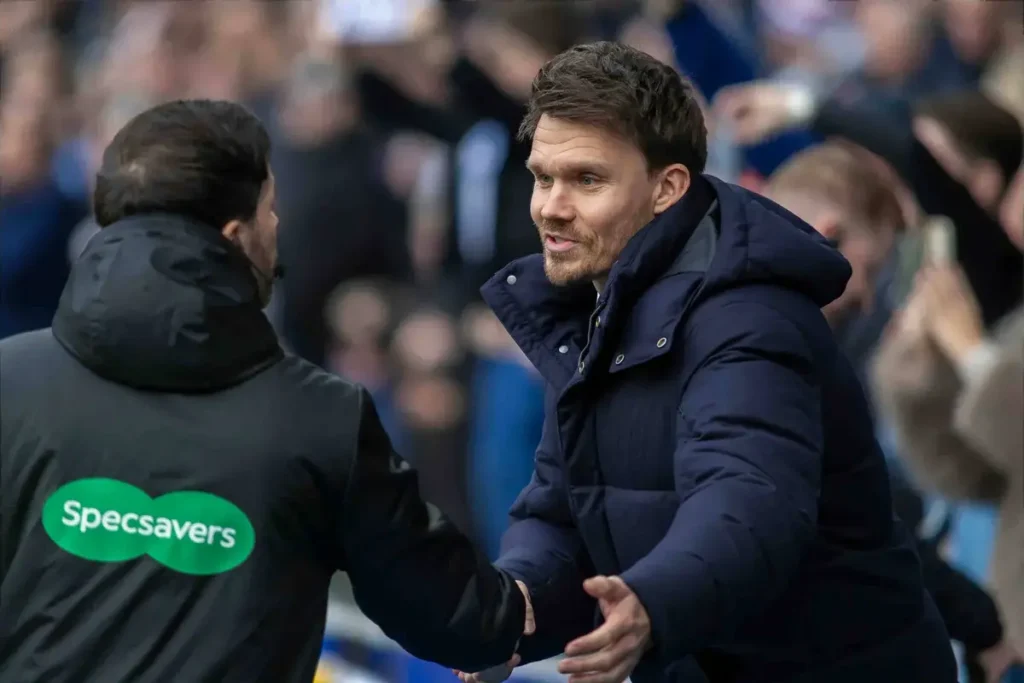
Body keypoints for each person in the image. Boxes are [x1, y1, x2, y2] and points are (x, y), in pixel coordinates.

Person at [460, 42, 957, 683]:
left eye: (587, 179)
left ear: (667, 188)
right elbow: (564, 509)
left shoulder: (750, 319)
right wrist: (519, 607)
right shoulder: (598, 309)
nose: (551, 206)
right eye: (542, 177)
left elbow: (748, 501)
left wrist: (653, 602)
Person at [0, 99, 533, 683]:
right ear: (236, 235)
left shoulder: (10, 380)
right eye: (271, 208)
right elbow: (461, 618)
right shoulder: (321, 418)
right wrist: (520, 614)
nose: (279, 226)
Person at [763, 142, 1021, 683]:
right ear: (830, 234)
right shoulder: (775, 347)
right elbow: (863, 518)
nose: (865, 299)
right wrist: (983, 623)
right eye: (871, 268)